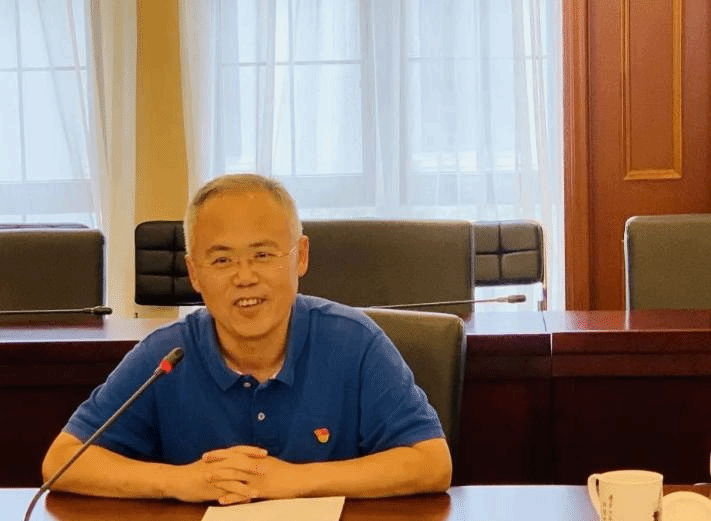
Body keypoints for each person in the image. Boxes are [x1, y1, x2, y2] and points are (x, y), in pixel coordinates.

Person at [42, 173, 452, 504]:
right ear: (194, 273)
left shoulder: (354, 343)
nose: (244, 277)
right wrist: (179, 481)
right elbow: (62, 461)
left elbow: (432, 462)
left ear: (301, 256)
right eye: (222, 260)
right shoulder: (167, 356)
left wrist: (294, 480)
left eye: (263, 255)